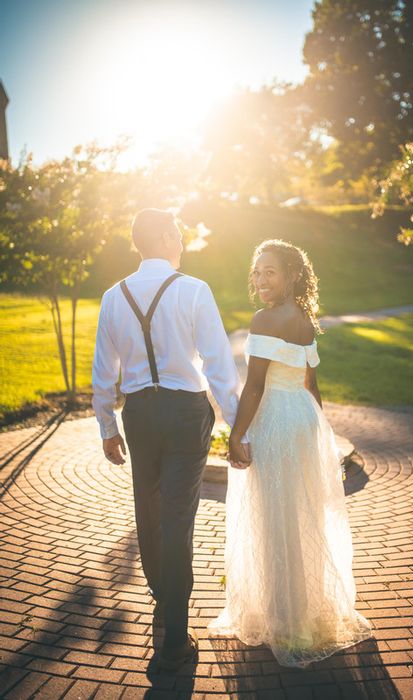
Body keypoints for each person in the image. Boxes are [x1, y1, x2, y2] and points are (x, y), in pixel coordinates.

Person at [92, 208, 250, 671]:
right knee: (179, 517)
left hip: (139, 413)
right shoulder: (193, 290)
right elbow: (220, 364)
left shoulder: (112, 296)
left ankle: (164, 598)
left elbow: (105, 371)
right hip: (185, 413)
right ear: (162, 238)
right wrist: (236, 427)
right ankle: (175, 641)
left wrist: (107, 427)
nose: (181, 242)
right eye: (177, 234)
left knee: (149, 507)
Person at [208, 239, 373, 667]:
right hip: (303, 420)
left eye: (270, 271)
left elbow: (257, 386)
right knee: (299, 515)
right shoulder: (304, 318)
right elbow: (312, 386)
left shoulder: (265, 319)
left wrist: (235, 434)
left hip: (277, 422)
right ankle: (300, 614)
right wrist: (322, 436)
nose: (261, 279)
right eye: (257, 271)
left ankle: (287, 623)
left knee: (276, 518)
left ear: (292, 275)